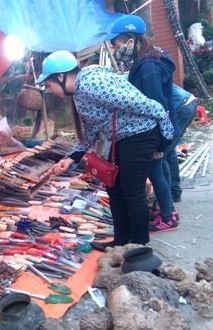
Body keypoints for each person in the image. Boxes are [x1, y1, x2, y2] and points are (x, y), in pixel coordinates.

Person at [35, 50, 174, 251]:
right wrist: (71, 158)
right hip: (122, 137)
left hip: (141, 134)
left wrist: (164, 136)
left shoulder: (92, 85)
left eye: (49, 86)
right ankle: (120, 242)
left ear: (60, 77)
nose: (51, 91)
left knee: (132, 193)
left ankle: (138, 250)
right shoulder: (79, 93)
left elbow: (147, 105)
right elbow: (90, 132)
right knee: (113, 187)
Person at [106, 14, 180, 233]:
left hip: (155, 131)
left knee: (156, 172)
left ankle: (168, 217)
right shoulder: (144, 61)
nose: (116, 49)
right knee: (158, 170)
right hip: (156, 130)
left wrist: (158, 143)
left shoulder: (149, 67)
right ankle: (167, 211)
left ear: (131, 39)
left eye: (117, 43)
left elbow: (157, 105)